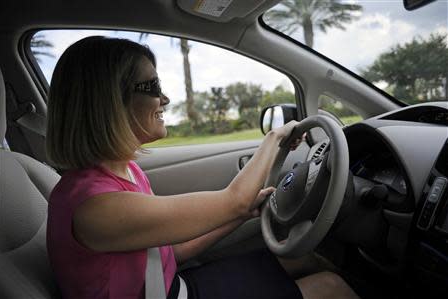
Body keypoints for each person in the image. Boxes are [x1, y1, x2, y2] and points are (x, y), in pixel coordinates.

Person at [46, 36, 359, 299]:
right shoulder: (95, 207)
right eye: (152, 86)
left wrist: (242, 213)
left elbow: (173, 251)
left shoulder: (122, 173)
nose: (165, 99)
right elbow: (234, 198)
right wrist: (275, 138)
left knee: (303, 257)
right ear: (110, 102)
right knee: (329, 288)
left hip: (174, 286)